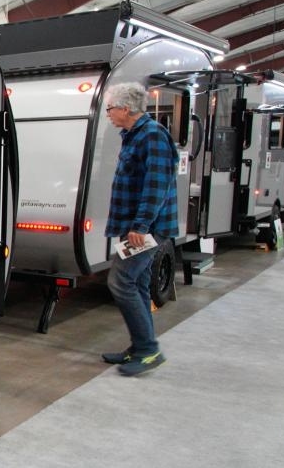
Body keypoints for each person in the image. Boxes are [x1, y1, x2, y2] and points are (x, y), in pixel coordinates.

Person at [102, 82, 178, 377]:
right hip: (135, 226)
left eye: (110, 108)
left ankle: (148, 350)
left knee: (120, 281)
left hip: (145, 229)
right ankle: (140, 346)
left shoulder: (152, 135)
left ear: (125, 108)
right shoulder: (134, 135)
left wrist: (141, 225)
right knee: (139, 284)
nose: (108, 114)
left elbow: (156, 186)